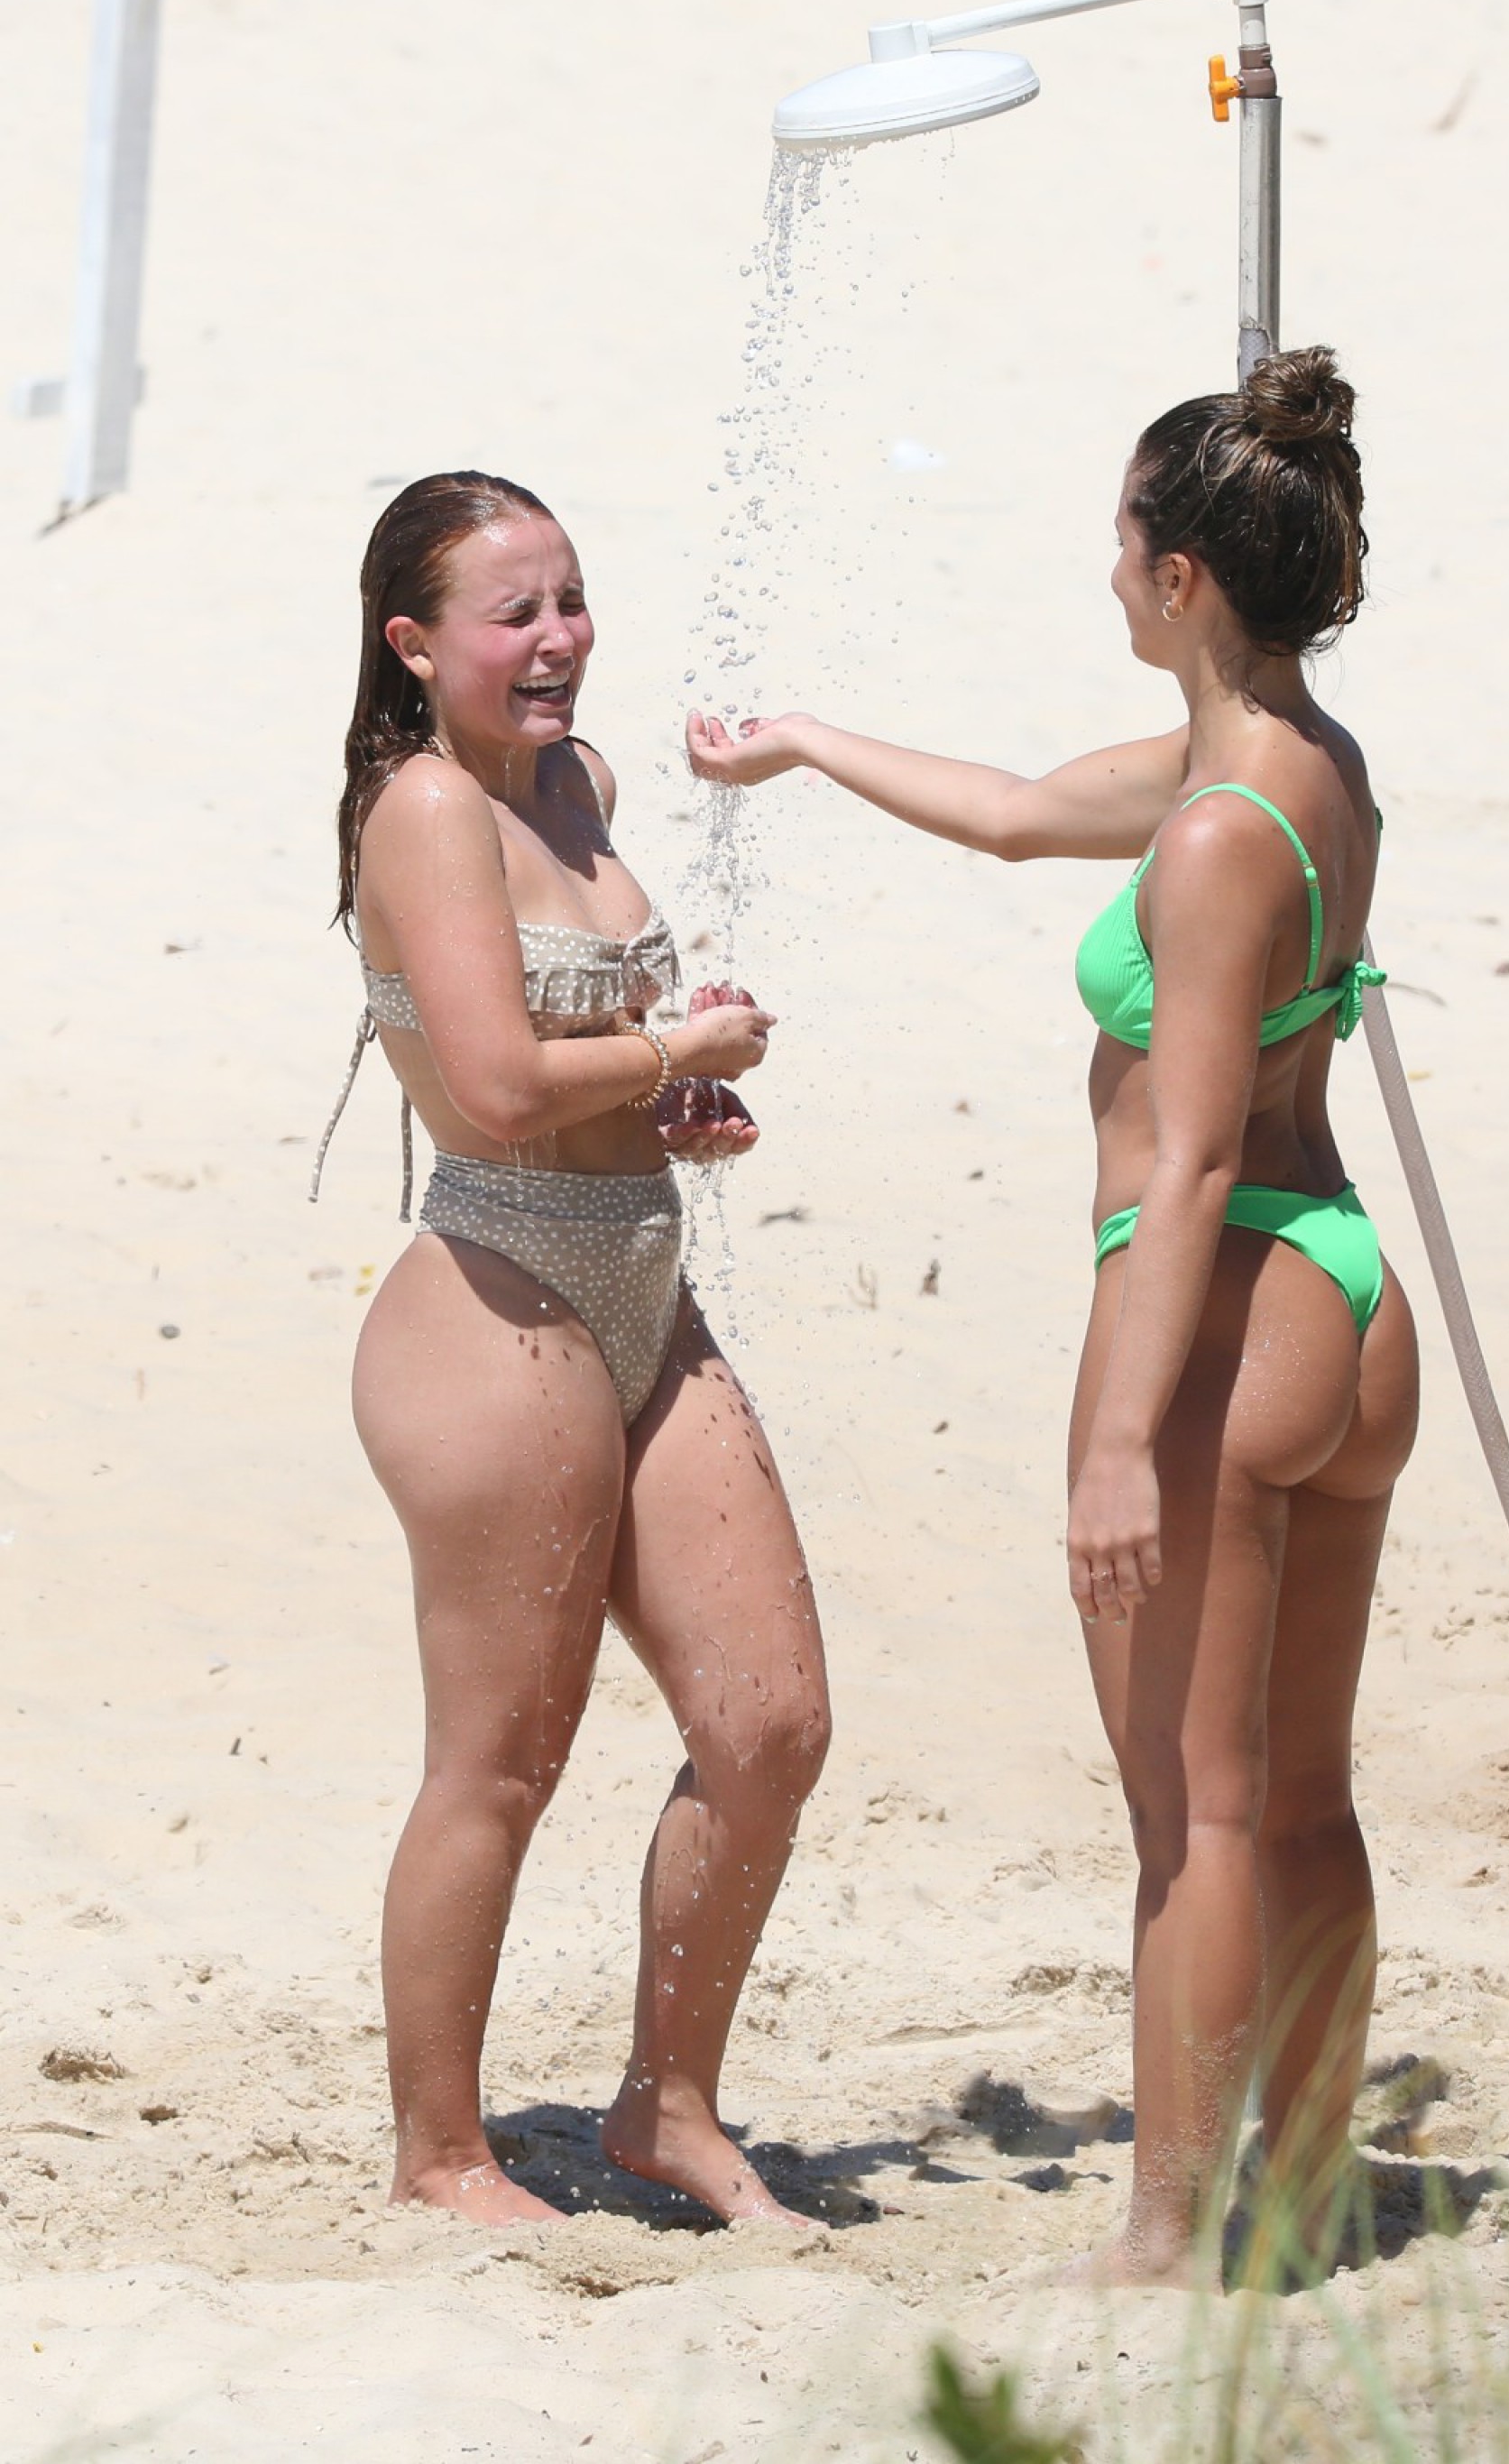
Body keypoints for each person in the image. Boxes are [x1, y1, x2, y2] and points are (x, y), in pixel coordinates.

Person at [686, 349, 1420, 2285]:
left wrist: (1113, 1448)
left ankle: (1169, 2241)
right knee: (1309, 1802)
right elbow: (1016, 814)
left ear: (1183, 575)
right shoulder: (1296, 772)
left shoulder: (1205, 839)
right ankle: (1314, 2187)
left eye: (1121, 538)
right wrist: (808, 741)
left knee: (1196, 1823)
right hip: (1347, 1298)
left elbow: (1177, 1166)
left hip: (1227, 1316)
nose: (1103, 569)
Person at [316, 471, 830, 2229]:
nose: (558, 643)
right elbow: (497, 1083)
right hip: (495, 1295)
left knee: (770, 1722)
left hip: (640, 1275)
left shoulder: (580, 785)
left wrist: (673, 1093)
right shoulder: (424, 810)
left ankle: (660, 2105)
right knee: (504, 1755)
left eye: (573, 600)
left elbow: (587, 1044)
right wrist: (687, 1048)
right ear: (415, 644)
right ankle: (441, 2155)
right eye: (513, 614)